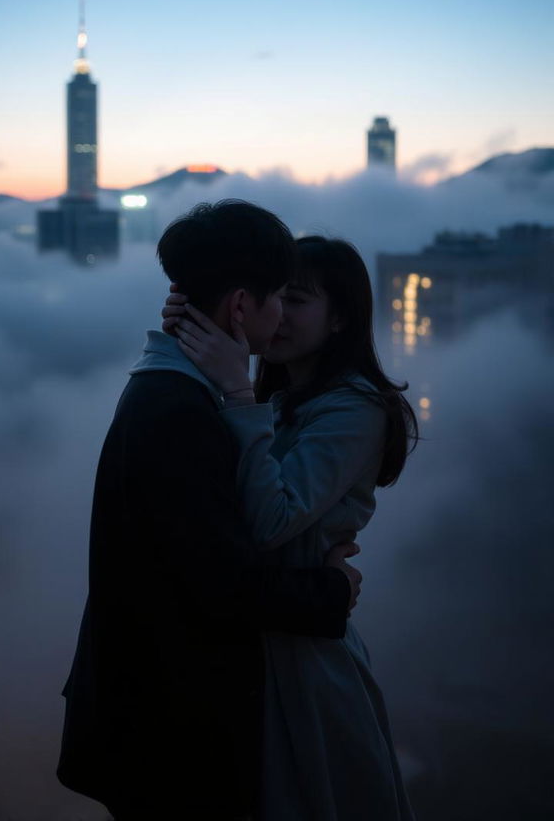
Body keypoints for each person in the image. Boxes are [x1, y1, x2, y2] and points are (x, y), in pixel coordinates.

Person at [57, 204, 363, 821]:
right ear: (242, 307)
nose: (279, 319)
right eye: (278, 297)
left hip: (157, 721)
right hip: (170, 734)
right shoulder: (180, 409)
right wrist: (333, 590)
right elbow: (223, 587)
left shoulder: (173, 389)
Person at [162, 235, 418, 821]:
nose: (277, 314)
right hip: (269, 634)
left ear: (341, 319)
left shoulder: (355, 407)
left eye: (297, 299)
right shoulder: (284, 399)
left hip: (305, 659)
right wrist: (195, 338)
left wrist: (235, 388)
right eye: (273, 297)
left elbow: (272, 519)